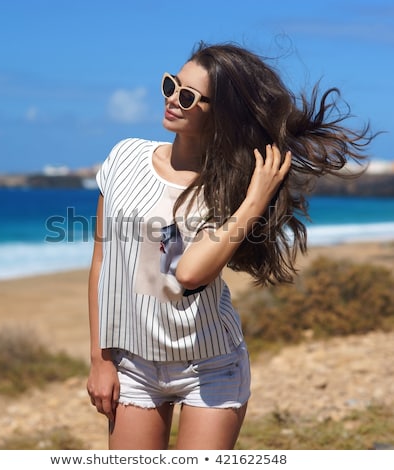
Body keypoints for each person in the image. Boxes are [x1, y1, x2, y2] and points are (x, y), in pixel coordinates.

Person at [86, 42, 375, 450]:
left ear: (219, 113)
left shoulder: (228, 190)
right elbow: (101, 265)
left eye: (187, 96)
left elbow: (188, 273)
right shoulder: (123, 158)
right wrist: (100, 360)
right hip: (132, 365)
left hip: (210, 365)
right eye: (170, 85)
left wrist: (255, 200)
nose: (172, 99)